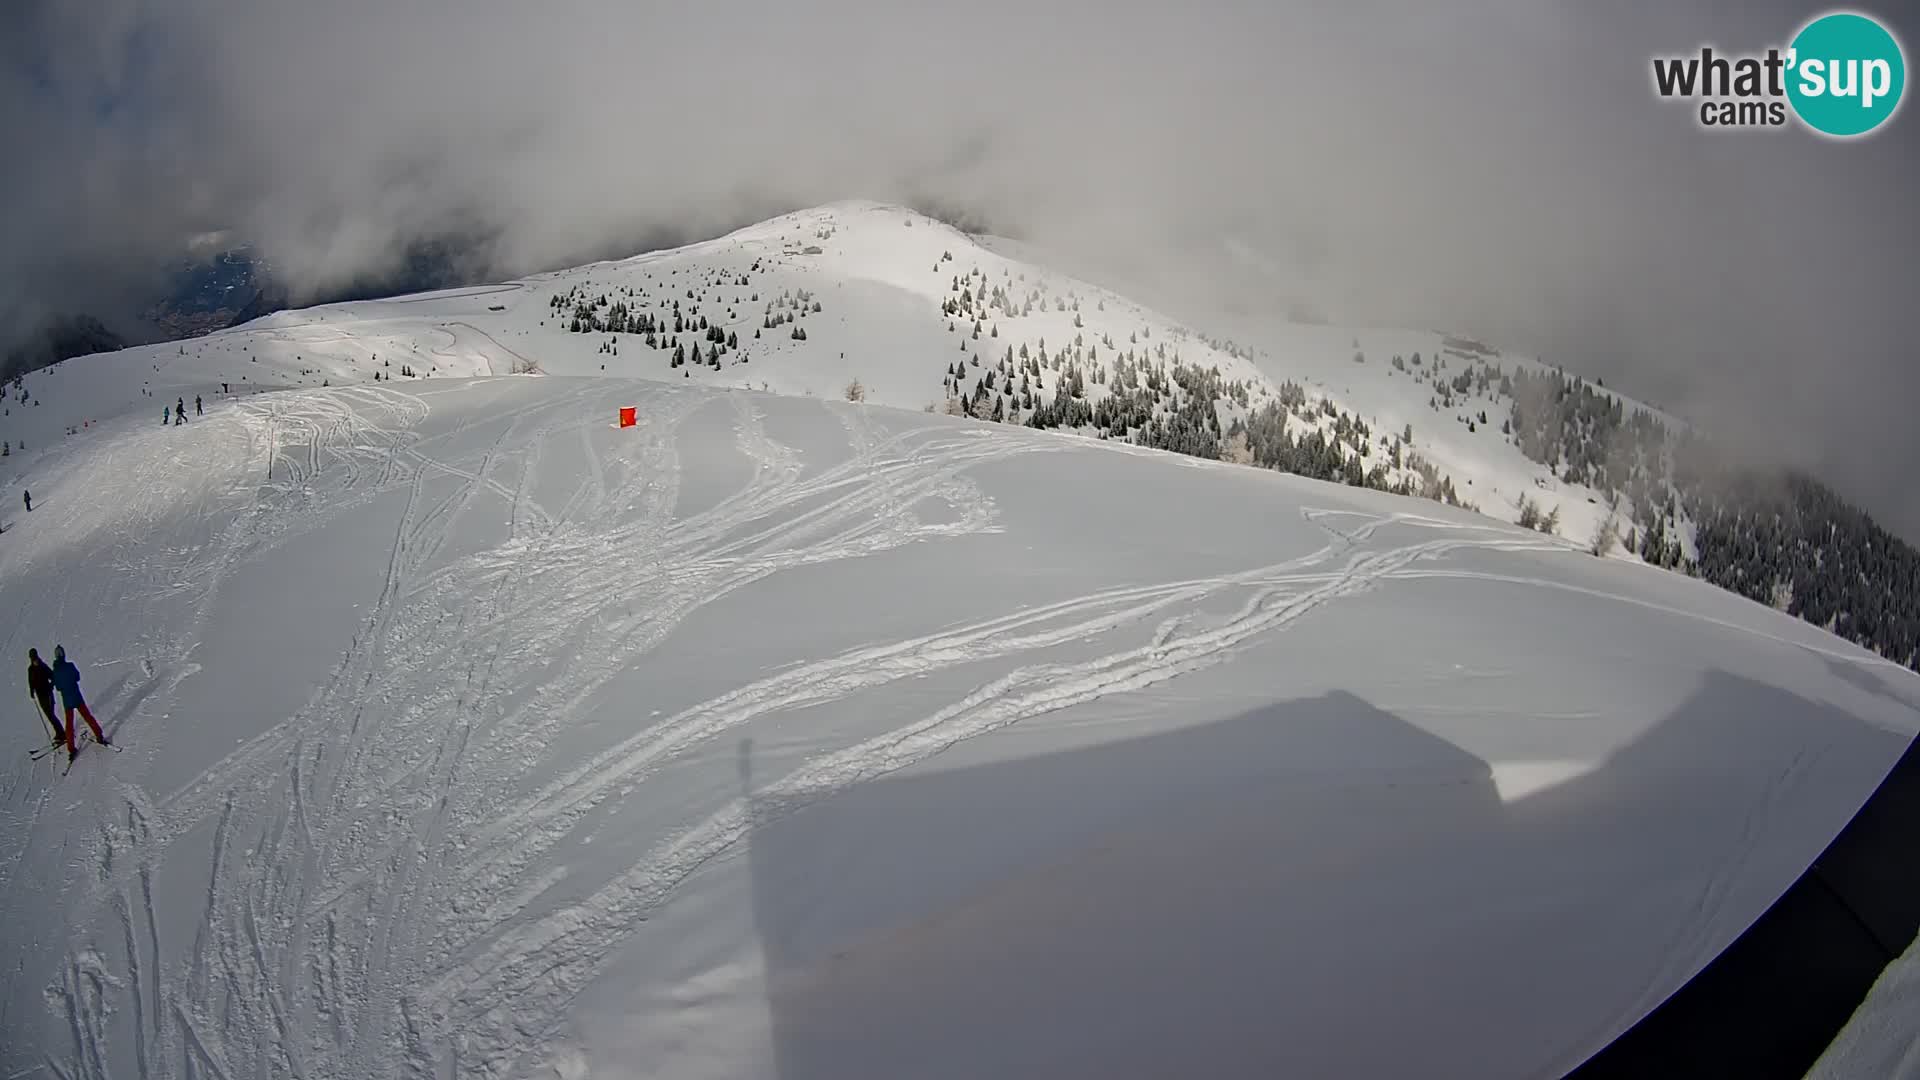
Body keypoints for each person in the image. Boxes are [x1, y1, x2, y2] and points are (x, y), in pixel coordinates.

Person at [49, 645, 106, 757]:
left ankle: (71, 749)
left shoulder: (55, 671)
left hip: (67, 701)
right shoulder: (70, 666)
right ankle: (99, 735)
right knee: (88, 717)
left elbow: (59, 687)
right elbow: (77, 677)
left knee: (69, 724)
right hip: (77, 697)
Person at [27, 648, 61, 746]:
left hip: (47, 693)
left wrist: (51, 685)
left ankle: (61, 733)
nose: (35, 660)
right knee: (49, 715)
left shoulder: (43, 666)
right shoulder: (30, 669)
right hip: (40, 695)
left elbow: (53, 676)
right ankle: (59, 733)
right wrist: (31, 691)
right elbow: (31, 681)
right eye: (33, 659)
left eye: (35, 658)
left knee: (51, 714)